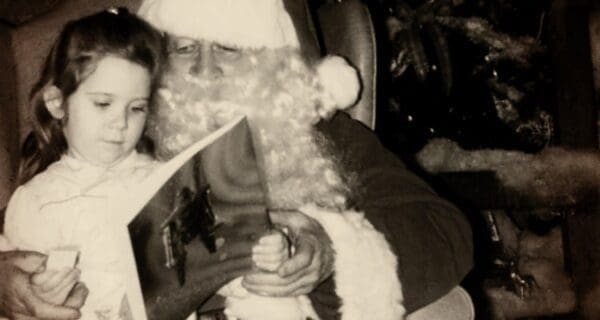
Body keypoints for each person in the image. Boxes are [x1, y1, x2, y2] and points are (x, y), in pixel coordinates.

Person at [138, 0, 474, 319]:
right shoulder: (124, 138)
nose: (205, 70)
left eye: (228, 47)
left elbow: (445, 231)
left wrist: (332, 249)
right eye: (184, 48)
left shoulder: (317, 135)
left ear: (268, 58)